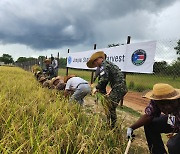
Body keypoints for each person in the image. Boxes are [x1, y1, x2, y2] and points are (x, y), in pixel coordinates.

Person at [127, 83, 180, 154]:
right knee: (151, 124)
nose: (166, 107)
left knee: (174, 145)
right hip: (175, 121)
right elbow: (148, 116)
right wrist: (131, 128)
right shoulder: (156, 101)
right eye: (162, 104)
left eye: (169, 102)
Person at [86, 51, 127, 128]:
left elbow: (104, 79)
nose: (95, 65)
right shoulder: (106, 64)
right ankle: (110, 124)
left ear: (98, 59)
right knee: (109, 105)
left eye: (95, 63)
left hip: (119, 88)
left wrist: (96, 88)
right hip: (117, 87)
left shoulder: (104, 65)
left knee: (109, 106)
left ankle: (112, 126)